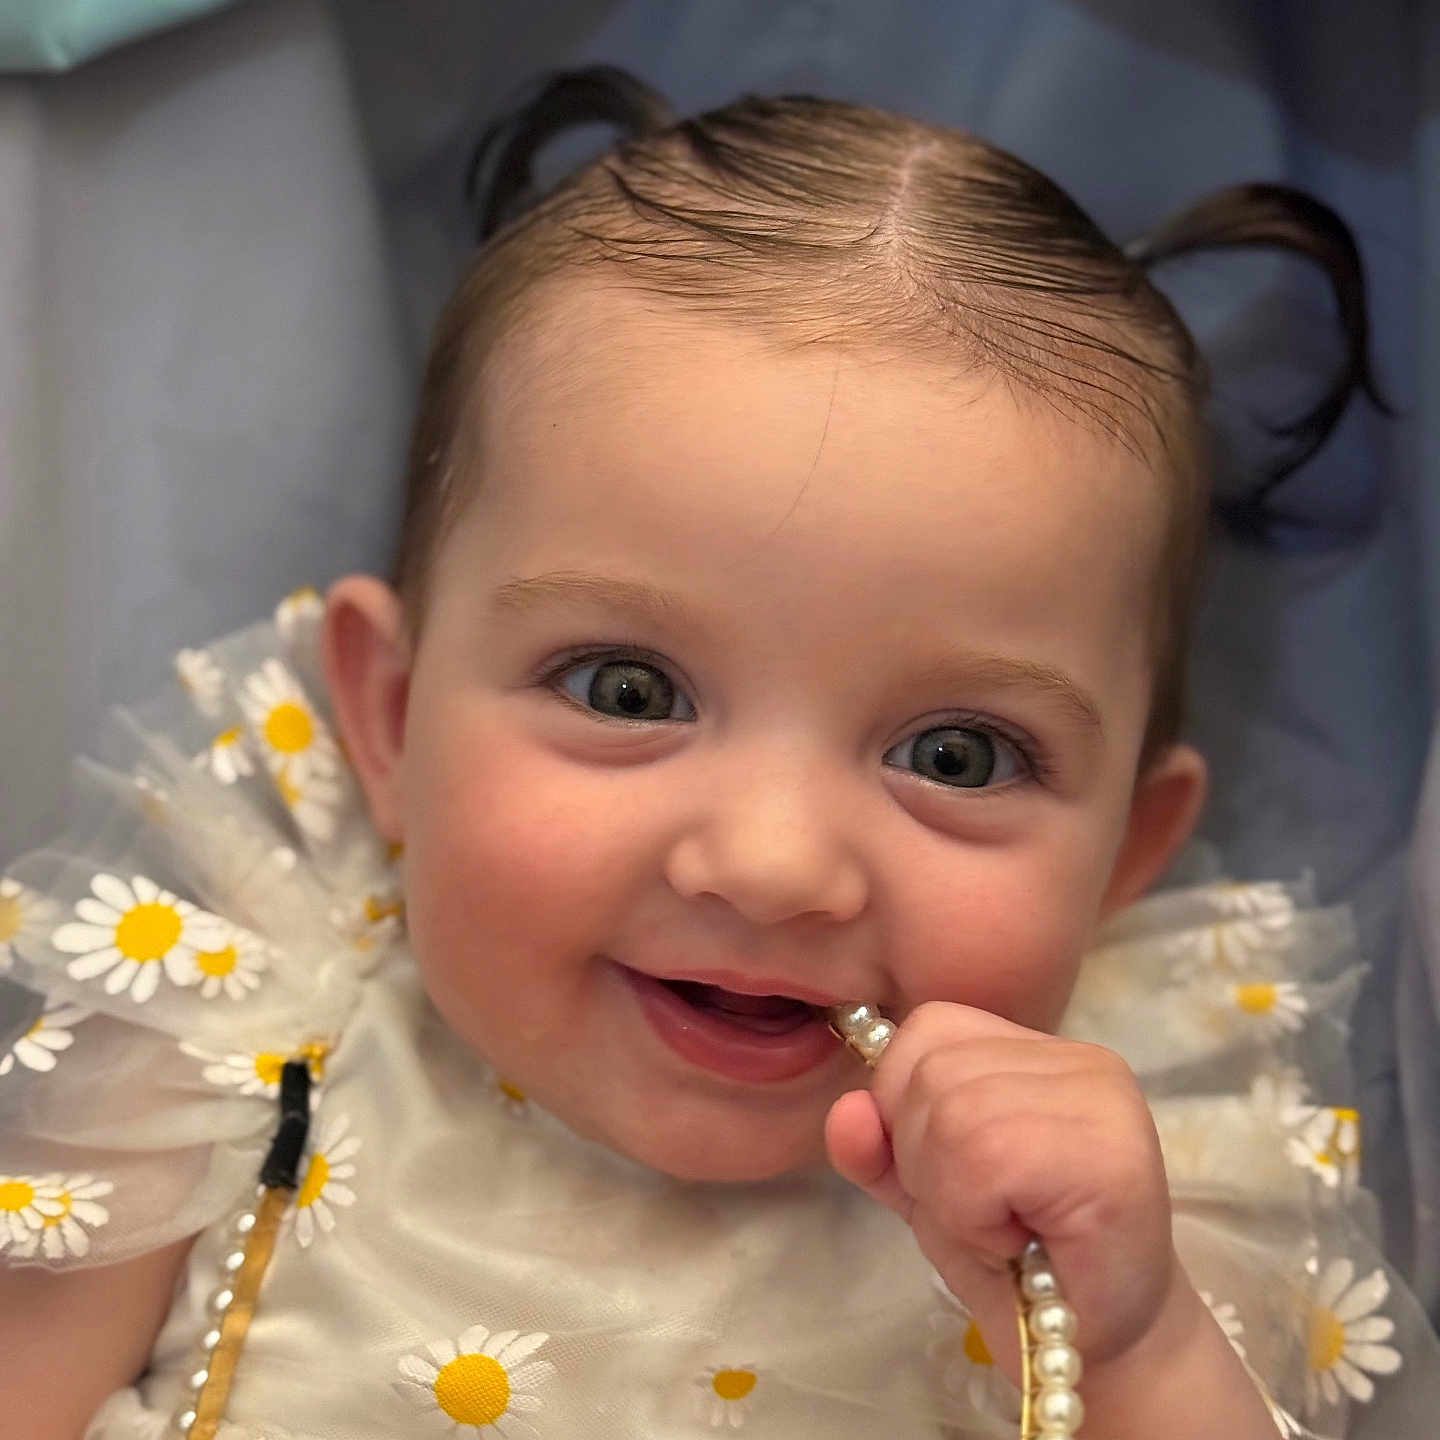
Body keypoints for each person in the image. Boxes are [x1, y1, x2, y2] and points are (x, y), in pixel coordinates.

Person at [1, 68, 1436, 1440]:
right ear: (388, 718)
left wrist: (1137, 1347)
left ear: (1124, 850)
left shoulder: (1117, 1210)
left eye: (956, 753)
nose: (773, 865)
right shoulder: (232, 1040)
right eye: (628, 689)